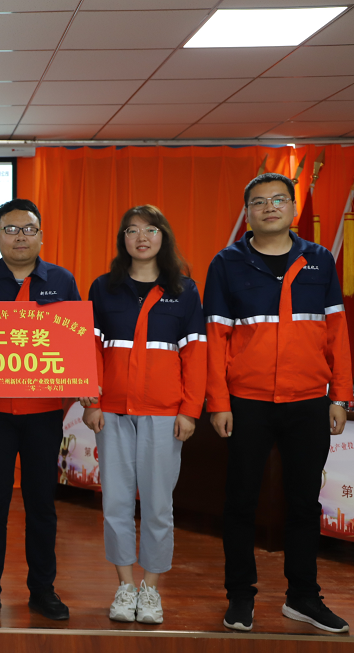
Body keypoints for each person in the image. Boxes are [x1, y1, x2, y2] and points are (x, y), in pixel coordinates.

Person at [205, 173, 352, 634]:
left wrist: (340, 395)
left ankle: (303, 597)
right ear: (247, 212)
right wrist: (218, 401)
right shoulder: (226, 263)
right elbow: (216, 338)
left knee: (304, 502)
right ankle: (240, 596)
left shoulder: (319, 259)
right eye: (259, 201)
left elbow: (337, 332)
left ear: (292, 208)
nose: (269, 207)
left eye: (278, 199)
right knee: (240, 501)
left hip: (308, 401)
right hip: (247, 401)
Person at [80, 205, 206, 624]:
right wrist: (92, 402)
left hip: (164, 414)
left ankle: (150, 589)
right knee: (116, 503)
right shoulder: (104, 288)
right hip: (112, 413)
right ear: (123, 239)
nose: (141, 237)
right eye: (132, 230)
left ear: (163, 237)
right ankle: (124, 586)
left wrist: (190, 410)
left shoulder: (184, 291)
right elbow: (89, 349)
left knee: (157, 505)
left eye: (151, 230)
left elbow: (196, 355)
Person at [0, 198, 80, 622]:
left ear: (41, 235)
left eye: (28, 229)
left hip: (44, 412)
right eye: (10, 230)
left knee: (41, 503)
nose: (20, 237)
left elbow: (75, 343)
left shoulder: (62, 281)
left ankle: (42, 589)